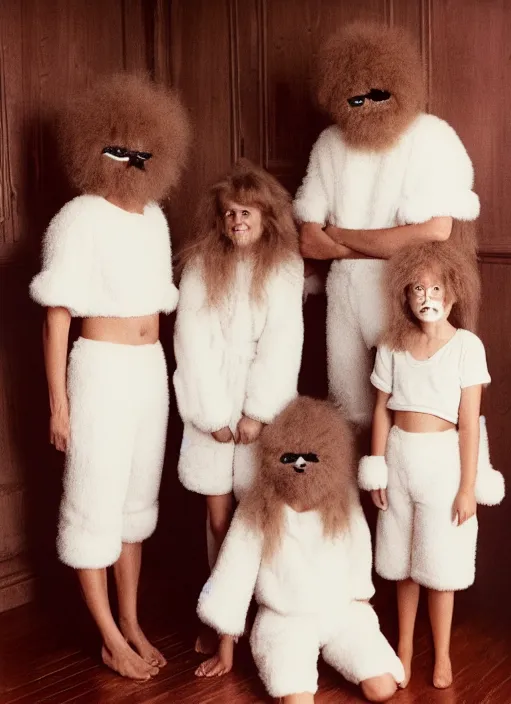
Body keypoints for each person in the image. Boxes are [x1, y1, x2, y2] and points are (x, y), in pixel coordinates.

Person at [29, 73, 190, 681]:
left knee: (132, 507)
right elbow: (56, 319)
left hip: (149, 374)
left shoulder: (154, 218)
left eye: (141, 151)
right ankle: (106, 636)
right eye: (118, 149)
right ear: (95, 148)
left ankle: (131, 621)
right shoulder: (78, 218)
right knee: (92, 506)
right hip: (97, 373)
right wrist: (59, 405)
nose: (130, 161)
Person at [294, 22, 480, 429]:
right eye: (355, 97)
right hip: (344, 302)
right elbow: (309, 241)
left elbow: (435, 230)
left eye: (377, 93)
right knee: (348, 412)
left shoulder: (428, 136)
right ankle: (353, 492)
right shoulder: (329, 144)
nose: (367, 105)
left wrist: (340, 238)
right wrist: (358, 246)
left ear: (399, 84)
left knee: (408, 411)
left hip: (402, 292)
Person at [173, 159, 304, 677]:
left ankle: (254, 619)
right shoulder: (202, 264)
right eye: (229, 214)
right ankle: (221, 615)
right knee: (217, 518)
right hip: (211, 404)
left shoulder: (285, 266)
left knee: (255, 520)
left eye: (246, 213)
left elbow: (283, 342)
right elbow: (191, 340)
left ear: (266, 216)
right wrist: (211, 414)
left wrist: (256, 412)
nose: (237, 222)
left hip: (257, 407)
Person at [358, 241, 504, 689]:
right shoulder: (392, 345)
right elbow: (382, 409)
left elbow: (469, 421)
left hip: (443, 462)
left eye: (436, 288)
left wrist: (467, 486)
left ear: (453, 294)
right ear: (405, 295)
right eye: (417, 288)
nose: (427, 297)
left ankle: (441, 654)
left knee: (439, 565)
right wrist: (378, 466)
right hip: (400, 456)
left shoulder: (466, 347)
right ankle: (403, 646)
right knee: (403, 561)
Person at [198, 396, 404, 702]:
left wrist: (361, 601)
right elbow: (234, 573)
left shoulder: (341, 501)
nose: (300, 464)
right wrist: (225, 647)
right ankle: (300, 662)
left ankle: (335, 656)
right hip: (286, 620)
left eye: (311, 456)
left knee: (383, 688)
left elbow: (360, 549)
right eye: (290, 456)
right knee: (298, 700)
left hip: (339, 612)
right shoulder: (259, 507)